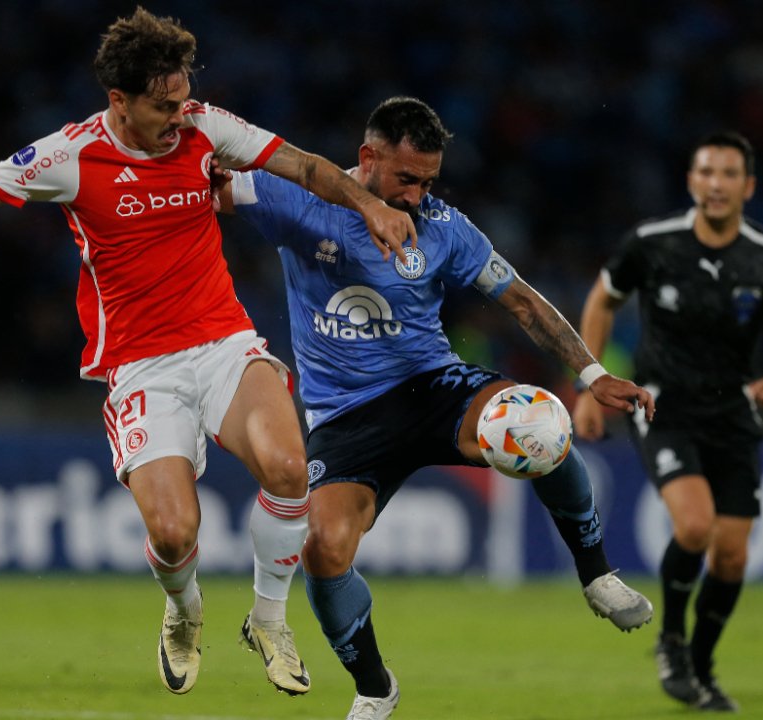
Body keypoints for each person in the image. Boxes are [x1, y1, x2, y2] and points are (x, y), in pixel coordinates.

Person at [0, 8, 417, 696]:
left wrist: (367, 205)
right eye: (163, 106)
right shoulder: (69, 157)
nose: (179, 116)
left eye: (182, 99)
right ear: (120, 100)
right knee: (173, 533)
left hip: (223, 341)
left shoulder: (204, 125)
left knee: (290, 468)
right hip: (142, 365)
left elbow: (307, 166)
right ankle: (183, 609)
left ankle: (268, 619)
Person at [217, 96, 656, 720]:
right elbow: (203, 187)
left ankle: (597, 576)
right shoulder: (300, 198)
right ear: (367, 159)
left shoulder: (444, 227)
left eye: (428, 181)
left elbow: (524, 303)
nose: (419, 196)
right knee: (322, 546)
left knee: (538, 422)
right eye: (407, 179)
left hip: (434, 388)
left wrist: (590, 372)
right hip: (346, 418)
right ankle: (375, 687)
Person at [573, 131, 763, 712]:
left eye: (728, 174)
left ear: (748, 186)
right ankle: (670, 642)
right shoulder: (652, 243)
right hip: (663, 406)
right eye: (706, 172)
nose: (716, 183)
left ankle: (702, 667)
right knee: (695, 526)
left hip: (733, 412)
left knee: (732, 555)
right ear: (692, 181)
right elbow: (601, 301)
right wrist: (588, 385)